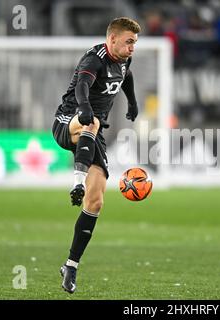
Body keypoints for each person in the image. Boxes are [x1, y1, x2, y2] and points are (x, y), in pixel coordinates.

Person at [52, 17, 141, 294]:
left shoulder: (124, 60)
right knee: (92, 123)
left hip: (93, 134)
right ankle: (76, 181)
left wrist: (133, 102)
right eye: (128, 42)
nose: (132, 48)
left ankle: (71, 265)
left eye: (135, 43)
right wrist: (85, 108)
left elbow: (126, 76)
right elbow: (81, 86)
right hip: (70, 121)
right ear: (112, 39)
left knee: (96, 201)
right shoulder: (95, 59)